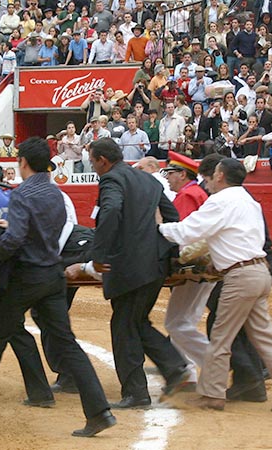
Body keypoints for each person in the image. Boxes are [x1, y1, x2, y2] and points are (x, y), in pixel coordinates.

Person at [0, 137, 116, 437]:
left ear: (23, 163)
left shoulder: (22, 195)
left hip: (26, 278)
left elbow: (15, 241)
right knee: (67, 344)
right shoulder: (56, 195)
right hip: (53, 276)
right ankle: (99, 411)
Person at [158, 158, 272, 412]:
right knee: (264, 336)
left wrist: (159, 228)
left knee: (220, 337)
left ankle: (212, 394)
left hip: (240, 276)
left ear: (221, 176)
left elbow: (186, 232)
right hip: (260, 272)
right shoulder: (249, 200)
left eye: (212, 174)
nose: (208, 178)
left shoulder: (220, 201)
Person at [88, 137, 191, 409]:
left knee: (124, 326)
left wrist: (99, 254)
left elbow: (110, 210)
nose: (93, 166)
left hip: (128, 266)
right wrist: (168, 253)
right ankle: (174, 367)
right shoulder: (149, 181)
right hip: (153, 264)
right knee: (135, 321)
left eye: (92, 161)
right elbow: (172, 218)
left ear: (103, 160)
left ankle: (137, 392)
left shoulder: (110, 179)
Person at [161, 152, 215, 390]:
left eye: (171, 173)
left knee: (177, 323)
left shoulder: (187, 195)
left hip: (193, 266)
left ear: (183, 174)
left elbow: (181, 235)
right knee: (184, 322)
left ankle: (213, 367)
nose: (169, 178)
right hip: (205, 266)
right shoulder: (199, 193)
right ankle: (189, 373)